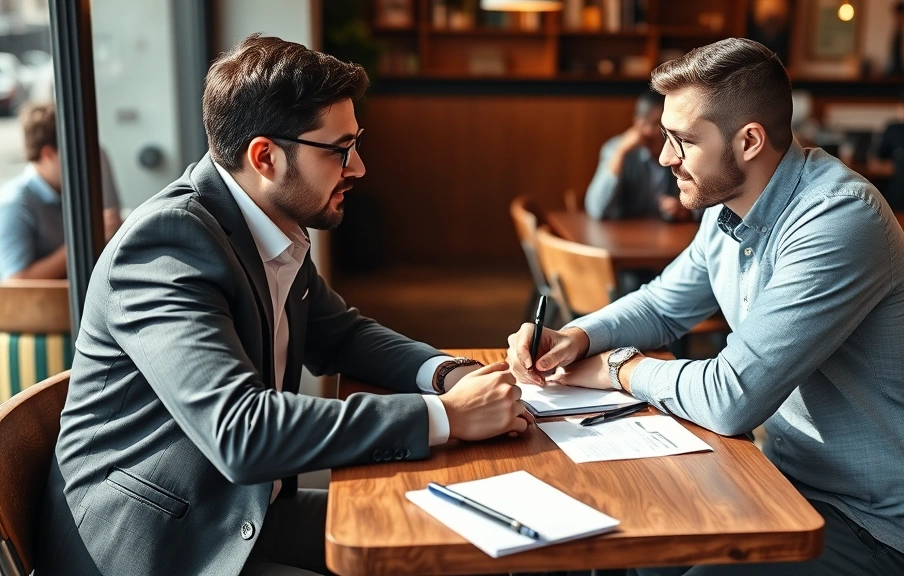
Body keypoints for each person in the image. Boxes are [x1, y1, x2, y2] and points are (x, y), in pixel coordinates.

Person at [36, 35, 534, 576]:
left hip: (240, 510)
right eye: (340, 150)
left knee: (454, 544)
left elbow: (342, 335)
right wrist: (445, 418)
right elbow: (241, 431)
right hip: (159, 544)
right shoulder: (166, 244)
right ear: (265, 157)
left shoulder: (269, 226)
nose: (359, 167)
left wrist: (446, 375)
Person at [507, 38, 904, 575]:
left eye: (682, 141)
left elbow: (729, 399)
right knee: (631, 538)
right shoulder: (727, 207)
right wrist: (576, 337)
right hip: (781, 484)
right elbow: (662, 306)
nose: (665, 156)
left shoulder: (836, 220)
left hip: (874, 528)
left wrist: (621, 369)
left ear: (749, 141)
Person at [0, 101, 122, 281]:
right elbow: (16, 282)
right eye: (76, 154)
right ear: (48, 154)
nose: (84, 163)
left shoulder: (69, 191)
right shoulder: (15, 203)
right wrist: (84, 240)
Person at [585, 90, 692, 222]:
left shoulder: (679, 150)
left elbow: (700, 207)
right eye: (654, 124)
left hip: (668, 235)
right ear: (638, 125)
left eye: (665, 126)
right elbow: (596, 208)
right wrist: (620, 153)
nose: (661, 133)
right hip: (623, 235)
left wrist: (683, 209)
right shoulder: (615, 149)